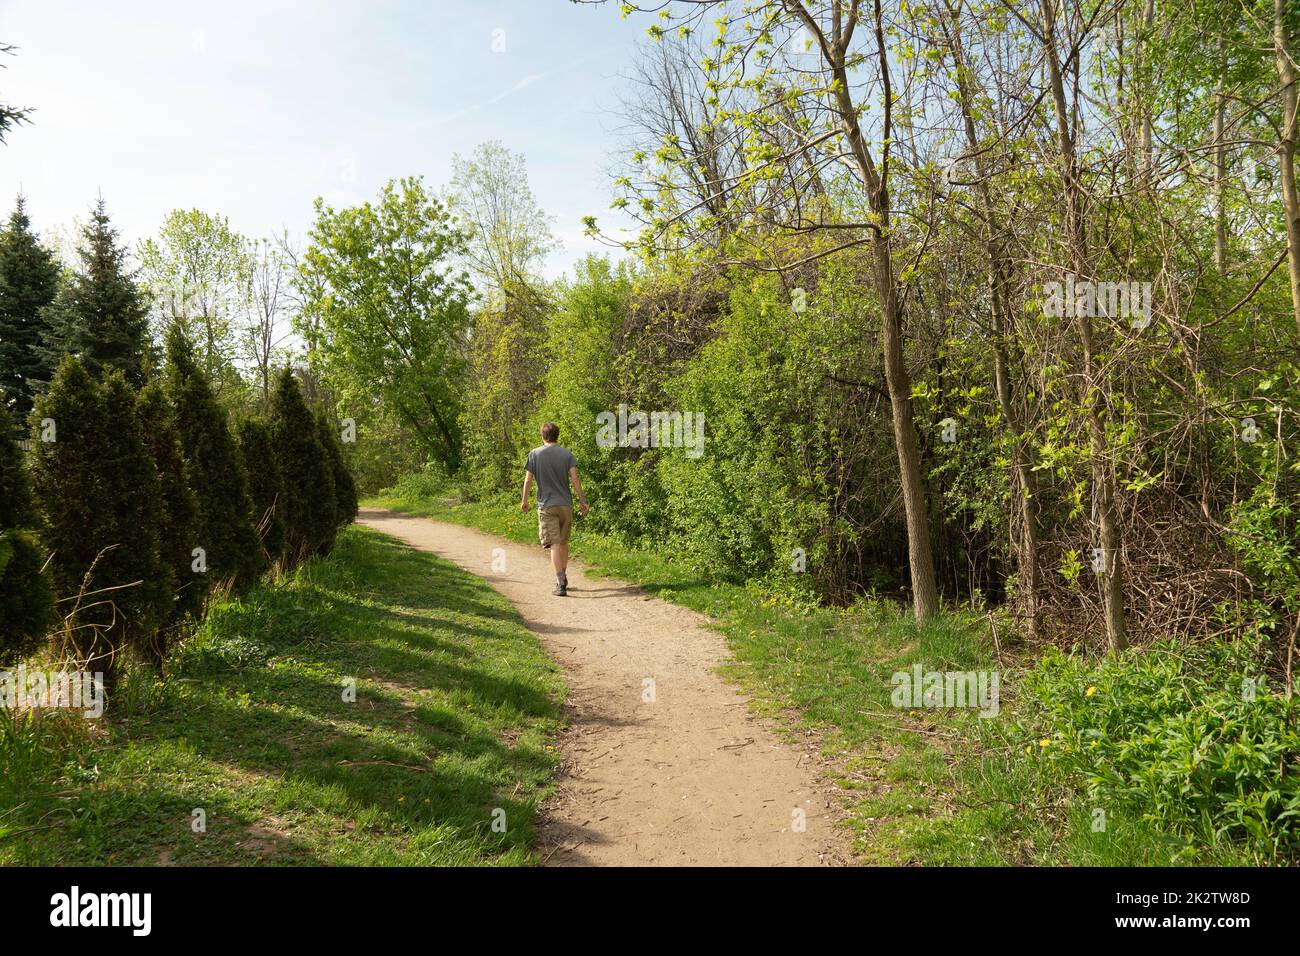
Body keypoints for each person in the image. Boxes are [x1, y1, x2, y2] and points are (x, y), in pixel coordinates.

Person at [520, 422, 589, 596]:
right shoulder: (567, 454)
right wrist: (582, 501)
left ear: (542, 435)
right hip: (566, 504)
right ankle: (563, 576)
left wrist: (524, 500)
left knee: (554, 544)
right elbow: (575, 478)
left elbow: (528, 480)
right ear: (557, 435)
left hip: (547, 505)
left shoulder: (534, 454)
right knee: (563, 543)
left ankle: (560, 583)